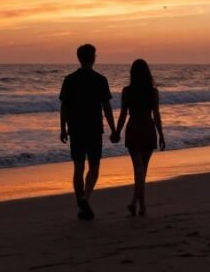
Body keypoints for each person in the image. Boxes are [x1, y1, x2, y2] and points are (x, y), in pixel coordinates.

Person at [59, 43, 117, 220]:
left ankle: (81, 205)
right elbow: (106, 107)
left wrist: (62, 128)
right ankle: (85, 198)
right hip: (93, 128)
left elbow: (64, 107)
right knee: (94, 167)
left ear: (79, 58)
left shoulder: (69, 80)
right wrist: (113, 129)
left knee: (78, 167)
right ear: (92, 58)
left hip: (75, 128)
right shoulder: (100, 80)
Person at [111, 58, 165, 216]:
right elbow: (156, 114)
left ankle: (137, 203)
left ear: (132, 74)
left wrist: (117, 131)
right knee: (142, 170)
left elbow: (122, 114)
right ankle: (141, 205)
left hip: (134, 128)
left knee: (139, 169)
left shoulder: (127, 91)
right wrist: (161, 134)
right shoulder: (153, 91)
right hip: (148, 129)